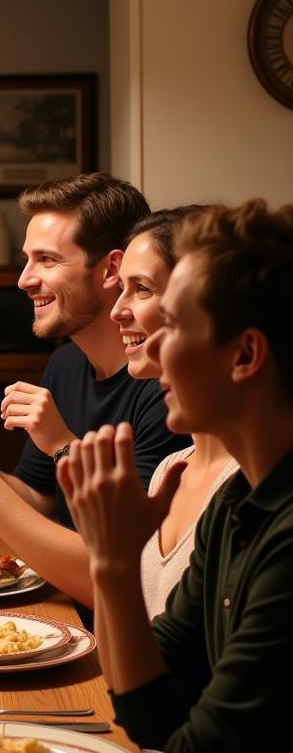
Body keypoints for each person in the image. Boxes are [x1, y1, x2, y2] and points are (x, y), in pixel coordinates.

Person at [56, 200, 293, 753]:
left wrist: (112, 566)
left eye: (175, 328)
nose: (151, 351)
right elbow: (155, 709)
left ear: (246, 354)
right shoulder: (236, 507)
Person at [0, 172, 190, 607]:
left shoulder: (166, 388)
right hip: (66, 607)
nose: (23, 279)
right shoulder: (65, 364)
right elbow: (38, 503)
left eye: (47, 260)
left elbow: (135, 570)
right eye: (27, 259)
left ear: (110, 269)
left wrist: (49, 449)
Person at [109, 207, 237, 616]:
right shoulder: (169, 471)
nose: (117, 310)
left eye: (142, 288)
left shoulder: (248, 491)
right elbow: (154, 648)